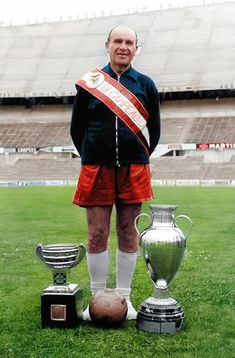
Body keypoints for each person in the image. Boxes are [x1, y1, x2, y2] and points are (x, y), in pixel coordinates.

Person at [70, 25, 161, 320]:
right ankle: (97, 297)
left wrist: (136, 155)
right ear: (107, 45)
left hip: (134, 168)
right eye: (118, 41)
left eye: (130, 42)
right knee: (97, 233)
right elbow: (76, 128)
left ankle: (124, 298)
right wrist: (92, 153)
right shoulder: (90, 84)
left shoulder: (145, 85)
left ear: (136, 48)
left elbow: (155, 132)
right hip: (96, 168)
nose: (123, 46)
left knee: (128, 232)